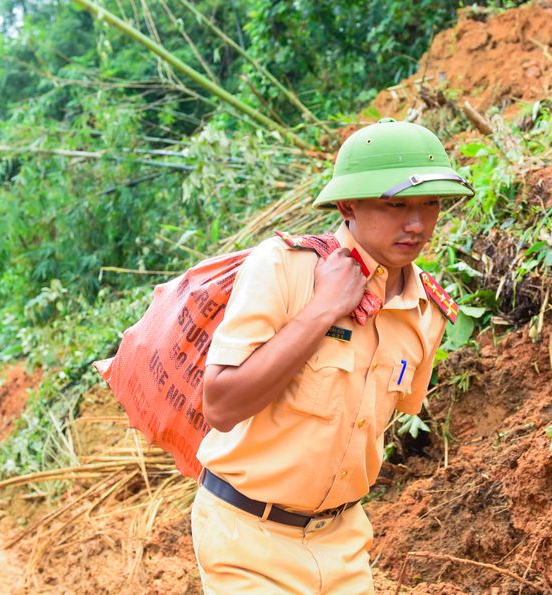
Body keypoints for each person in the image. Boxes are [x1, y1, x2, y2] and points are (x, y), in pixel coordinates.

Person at [191, 118, 473, 593]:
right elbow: (220, 406)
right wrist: (323, 309)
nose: (417, 224)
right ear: (347, 205)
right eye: (397, 205)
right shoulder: (285, 268)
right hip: (247, 538)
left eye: (430, 204)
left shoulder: (427, 310)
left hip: (343, 544)